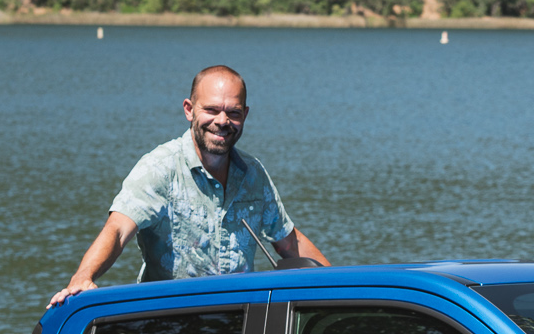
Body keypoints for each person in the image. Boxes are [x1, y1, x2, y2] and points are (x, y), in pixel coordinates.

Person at [49, 64, 329, 304]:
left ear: (244, 114)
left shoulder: (254, 175)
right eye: (211, 110)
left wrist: (343, 287)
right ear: (189, 109)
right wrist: (83, 277)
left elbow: (290, 242)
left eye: (233, 112)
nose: (222, 121)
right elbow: (118, 230)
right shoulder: (160, 169)